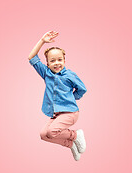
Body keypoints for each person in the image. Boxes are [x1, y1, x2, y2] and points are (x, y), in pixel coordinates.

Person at [28, 31, 87, 161]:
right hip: (56, 114)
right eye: (52, 61)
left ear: (64, 60)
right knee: (44, 135)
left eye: (60, 60)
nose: (57, 63)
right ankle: (70, 144)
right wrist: (42, 40)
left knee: (51, 132)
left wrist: (72, 97)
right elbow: (31, 57)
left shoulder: (70, 75)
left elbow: (82, 89)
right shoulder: (46, 73)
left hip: (70, 113)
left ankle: (76, 135)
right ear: (47, 64)